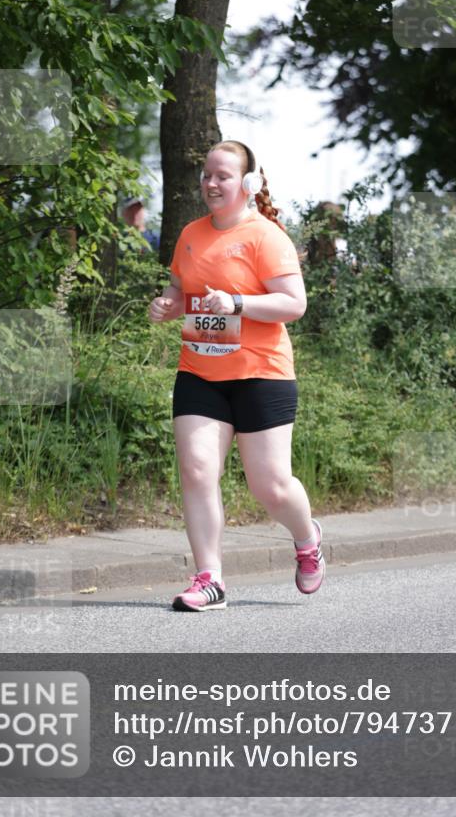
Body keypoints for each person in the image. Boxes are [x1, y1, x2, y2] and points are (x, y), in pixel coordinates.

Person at [148, 140, 325, 611]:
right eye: (206, 174)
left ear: (246, 184)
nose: (210, 183)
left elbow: (294, 304)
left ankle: (307, 539)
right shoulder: (190, 234)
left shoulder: (266, 237)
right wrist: (168, 305)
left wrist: (239, 303)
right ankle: (210, 579)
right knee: (197, 469)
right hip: (200, 372)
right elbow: (181, 291)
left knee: (269, 486)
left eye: (221, 176)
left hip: (261, 374)